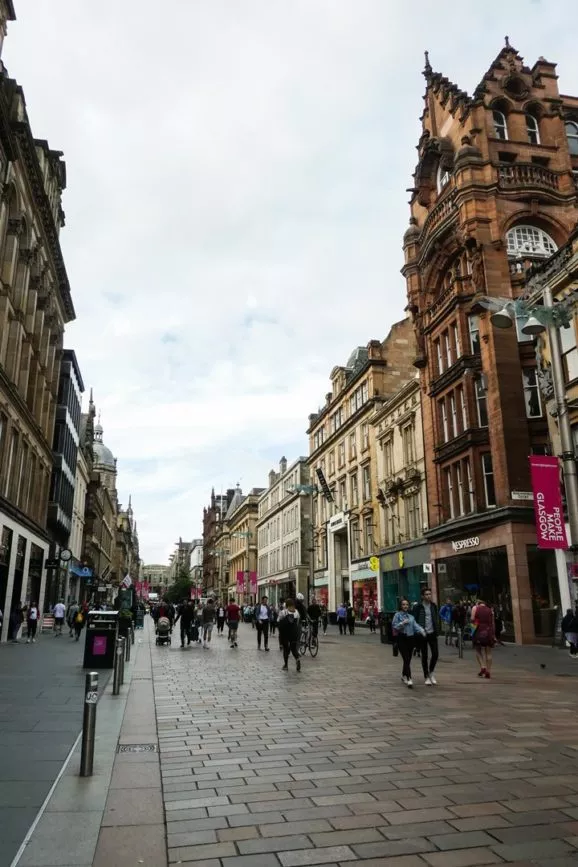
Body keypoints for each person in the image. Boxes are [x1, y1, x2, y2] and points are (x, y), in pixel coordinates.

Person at [392, 598, 426, 688]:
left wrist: (422, 630)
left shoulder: (411, 617)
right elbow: (394, 626)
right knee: (406, 658)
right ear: (400, 606)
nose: (405, 606)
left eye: (407, 604)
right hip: (401, 638)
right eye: (403, 604)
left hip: (410, 639)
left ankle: (403, 675)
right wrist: (402, 623)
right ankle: (409, 678)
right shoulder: (397, 615)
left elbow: (416, 626)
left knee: (408, 659)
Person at [413, 588, 440, 685]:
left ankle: (431, 672)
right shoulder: (418, 607)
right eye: (426, 594)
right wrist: (418, 631)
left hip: (432, 633)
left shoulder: (433, 606)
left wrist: (437, 629)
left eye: (430, 594)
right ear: (422, 596)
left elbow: (435, 618)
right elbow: (414, 620)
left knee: (435, 654)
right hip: (422, 633)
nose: (429, 596)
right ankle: (426, 676)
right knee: (424, 655)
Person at [471, 597, 496, 678]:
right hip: (488, 631)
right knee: (488, 652)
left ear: (478, 602)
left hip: (479, 631)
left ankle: (483, 666)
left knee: (478, 650)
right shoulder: (490, 610)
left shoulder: (475, 608)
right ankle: (488, 671)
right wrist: (493, 634)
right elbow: (492, 623)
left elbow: (472, 619)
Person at [278, 598, 301, 672]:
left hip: (285, 633)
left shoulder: (283, 612)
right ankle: (297, 659)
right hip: (294, 633)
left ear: (286, 605)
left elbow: (278, 621)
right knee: (293, 648)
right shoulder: (297, 612)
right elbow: (298, 623)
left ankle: (286, 665)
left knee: (286, 649)